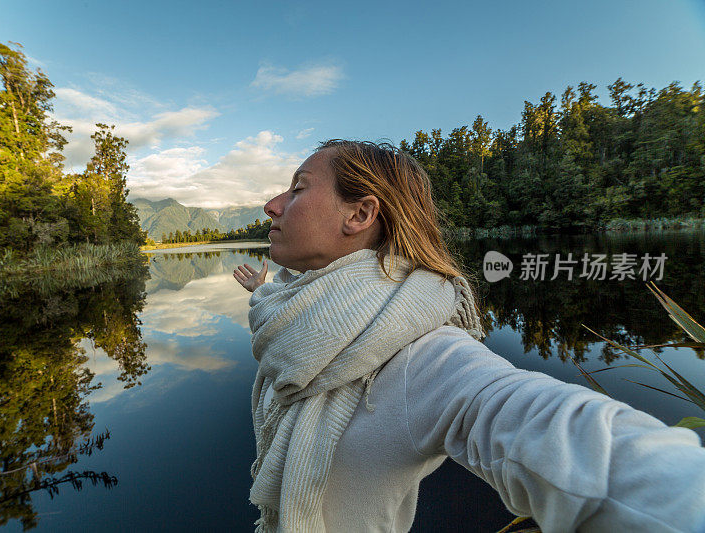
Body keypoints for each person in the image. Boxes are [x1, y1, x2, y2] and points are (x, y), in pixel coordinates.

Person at [232, 140, 705, 533]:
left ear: (359, 214)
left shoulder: (423, 353)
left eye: (297, 189)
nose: (272, 205)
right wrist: (261, 290)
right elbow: (272, 306)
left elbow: (560, 436)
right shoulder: (299, 317)